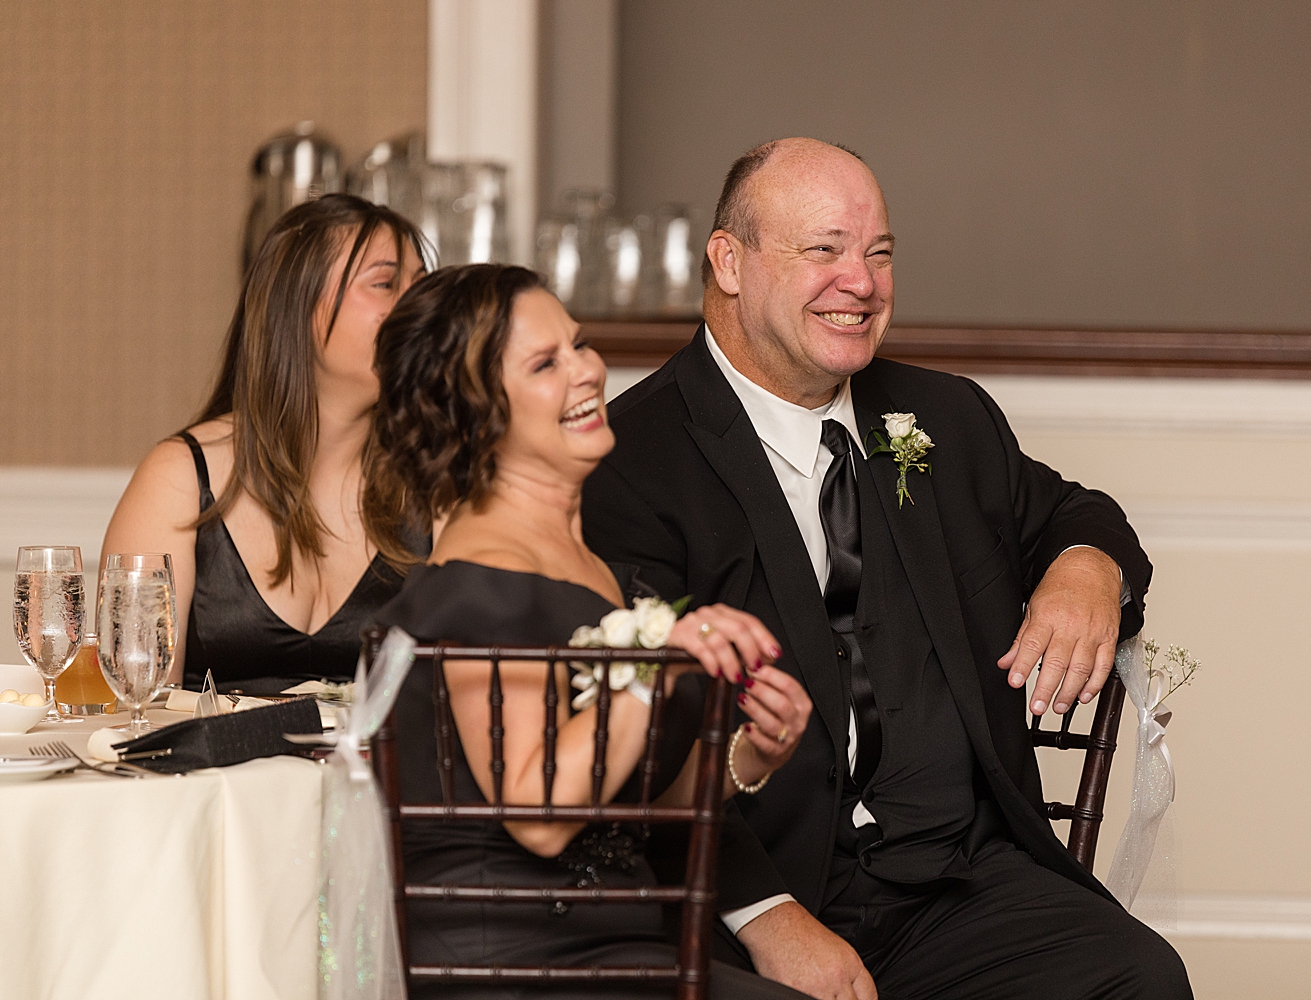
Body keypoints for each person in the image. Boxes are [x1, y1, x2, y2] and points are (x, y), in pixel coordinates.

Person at [581, 139, 1194, 1000]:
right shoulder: (632, 463)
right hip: (755, 891)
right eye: (824, 250)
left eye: (878, 254)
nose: (861, 282)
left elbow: (1076, 514)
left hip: (959, 882)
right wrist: (770, 920)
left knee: (1137, 977)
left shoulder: (946, 417)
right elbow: (624, 741)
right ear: (729, 261)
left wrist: (1085, 568)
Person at [366, 263, 815, 1000]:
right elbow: (541, 817)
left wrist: (751, 757)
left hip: (616, 941)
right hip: (514, 963)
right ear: (475, 414)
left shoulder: (586, 568)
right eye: (546, 363)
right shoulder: (480, 578)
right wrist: (651, 660)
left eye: (579, 344)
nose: (588, 371)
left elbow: (615, 811)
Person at [101, 194, 428, 692]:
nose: (420, 308)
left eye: (422, 288)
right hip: (205, 771)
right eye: (385, 283)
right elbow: (133, 707)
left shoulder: (436, 481)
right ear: (296, 305)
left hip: (372, 773)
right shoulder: (180, 477)